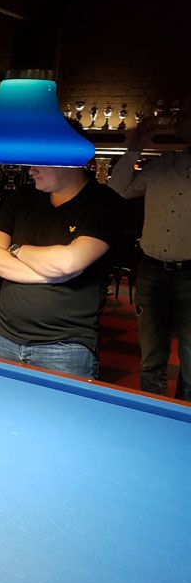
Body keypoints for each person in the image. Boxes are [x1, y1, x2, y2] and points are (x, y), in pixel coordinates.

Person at [0, 164, 125, 379]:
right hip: (3, 336)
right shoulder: (22, 196)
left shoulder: (105, 202)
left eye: (41, 162)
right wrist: (53, 273)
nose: (31, 170)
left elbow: (68, 263)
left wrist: (16, 249)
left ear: (70, 162)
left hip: (66, 347)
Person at [108, 111, 191, 398]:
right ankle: (152, 411)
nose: (180, 120)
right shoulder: (163, 165)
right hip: (151, 269)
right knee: (150, 358)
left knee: (190, 360)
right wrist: (135, 146)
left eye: (187, 115)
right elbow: (116, 191)